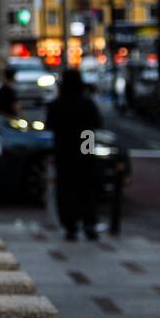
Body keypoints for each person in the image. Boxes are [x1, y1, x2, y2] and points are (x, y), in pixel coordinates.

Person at [46, 69, 102, 241]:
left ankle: (71, 226)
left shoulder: (56, 104)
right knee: (87, 188)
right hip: (85, 146)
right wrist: (88, 149)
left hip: (64, 151)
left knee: (66, 188)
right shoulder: (87, 103)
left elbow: (51, 126)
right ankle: (89, 223)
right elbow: (96, 124)